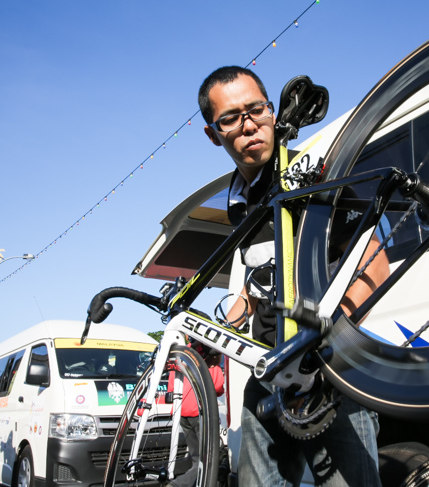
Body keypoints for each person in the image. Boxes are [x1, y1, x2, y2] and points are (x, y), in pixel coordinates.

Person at [198, 66, 388, 486]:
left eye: (256, 109)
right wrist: (218, 329)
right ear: (214, 134)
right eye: (231, 118)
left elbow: (374, 264)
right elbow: (257, 280)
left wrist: (327, 340)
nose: (249, 124)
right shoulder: (236, 200)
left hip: (330, 372)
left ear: (271, 109)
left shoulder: (311, 176)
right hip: (266, 369)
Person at [168, 342, 225, 487]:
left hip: (182, 411)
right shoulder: (209, 353)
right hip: (200, 412)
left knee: (196, 459)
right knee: (210, 461)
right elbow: (218, 386)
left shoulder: (182, 353)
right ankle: (177, 485)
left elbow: (172, 386)